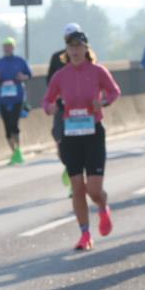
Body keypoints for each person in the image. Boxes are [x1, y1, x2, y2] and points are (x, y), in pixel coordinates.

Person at [42, 30, 121, 251]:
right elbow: (47, 99)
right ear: (66, 51)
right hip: (71, 136)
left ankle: (103, 207)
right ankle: (85, 234)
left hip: (93, 133)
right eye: (71, 47)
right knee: (77, 188)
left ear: (87, 49)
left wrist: (102, 102)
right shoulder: (61, 75)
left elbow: (114, 92)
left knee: (94, 190)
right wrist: (48, 107)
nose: (75, 51)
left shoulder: (98, 71)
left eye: (78, 47)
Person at [48, 23, 80, 193]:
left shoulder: (86, 55)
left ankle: (75, 178)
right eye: (69, 38)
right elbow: (49, 82)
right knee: (60, 141)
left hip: (82, 111)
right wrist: (52, 102)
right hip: (62, 108)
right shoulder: (56, 58)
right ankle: (69, 167)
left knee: (79, 144)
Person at [0, 36, 32, 164]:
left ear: (13, 48)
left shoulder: (20, 61)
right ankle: (14, 153)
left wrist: (22, 77)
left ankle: (18, 150)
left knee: (14, 124)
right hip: (3, 99)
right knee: (7, 127)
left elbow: (29, 75)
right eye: (5, 46)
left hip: (17, 98)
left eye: (9, 46)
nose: (7, 48)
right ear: (3, 48)